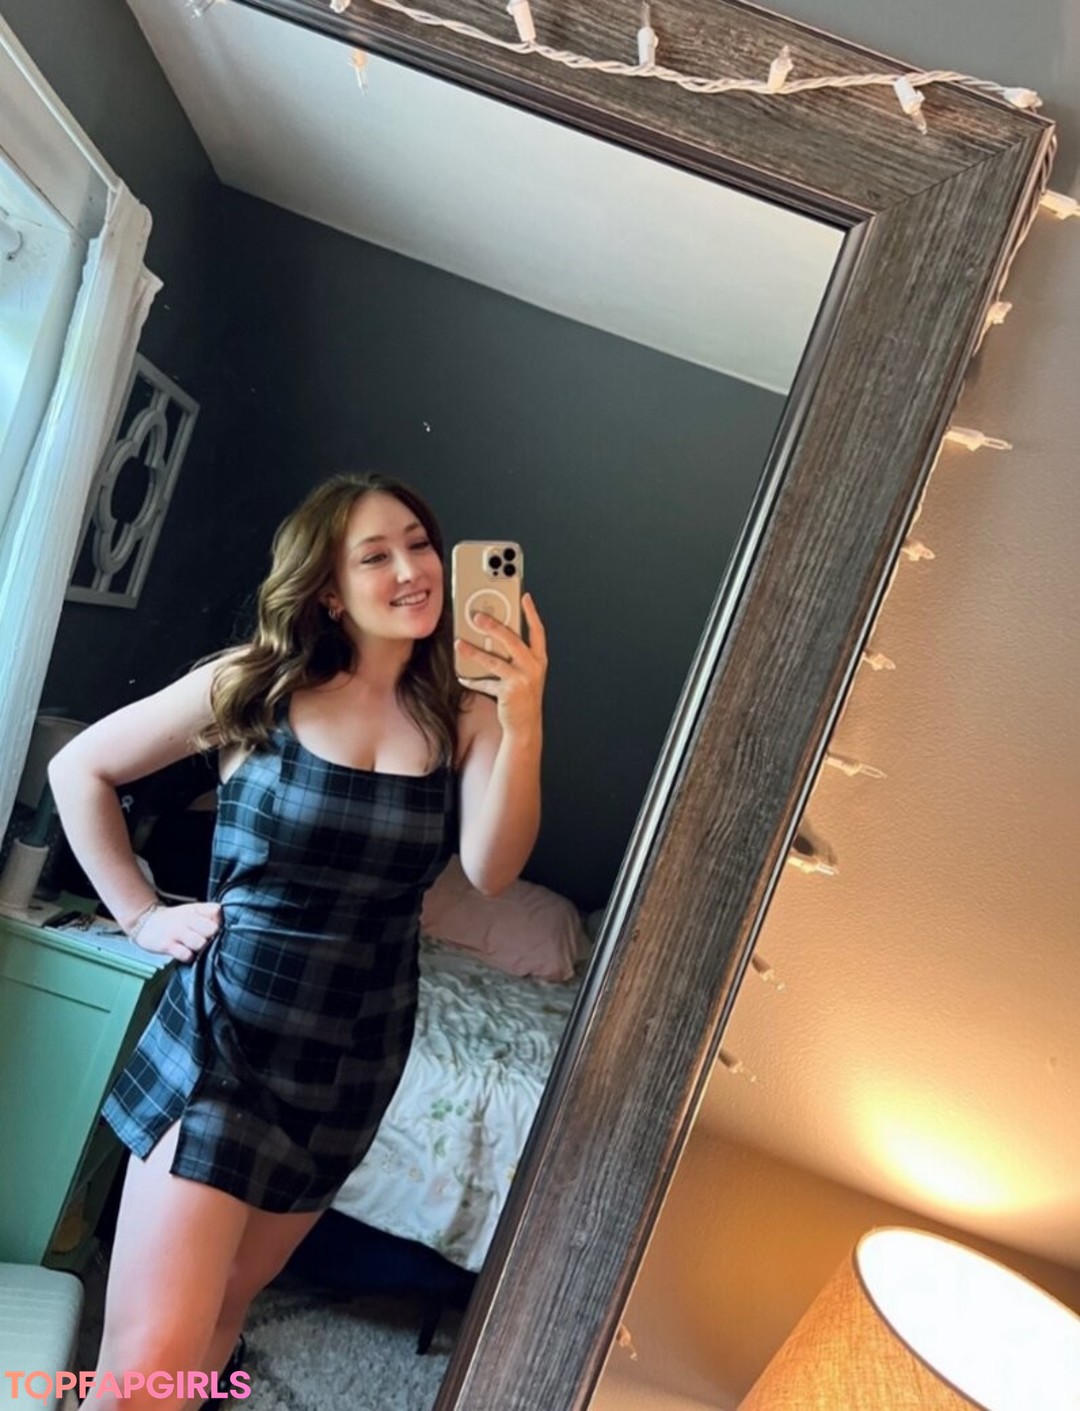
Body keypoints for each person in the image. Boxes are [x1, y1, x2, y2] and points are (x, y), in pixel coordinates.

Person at [48, 473, 546, 1411]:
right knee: (147, 1362)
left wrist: (524, 715)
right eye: (376, 555)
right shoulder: (258, 682)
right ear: (328, 589)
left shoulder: (464, 712)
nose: (412, 569)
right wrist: (142, 913)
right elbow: (81, 768)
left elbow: (490, 869)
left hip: (355, 1057)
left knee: (222, 1311)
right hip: (229, 1037)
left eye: (420, 543)